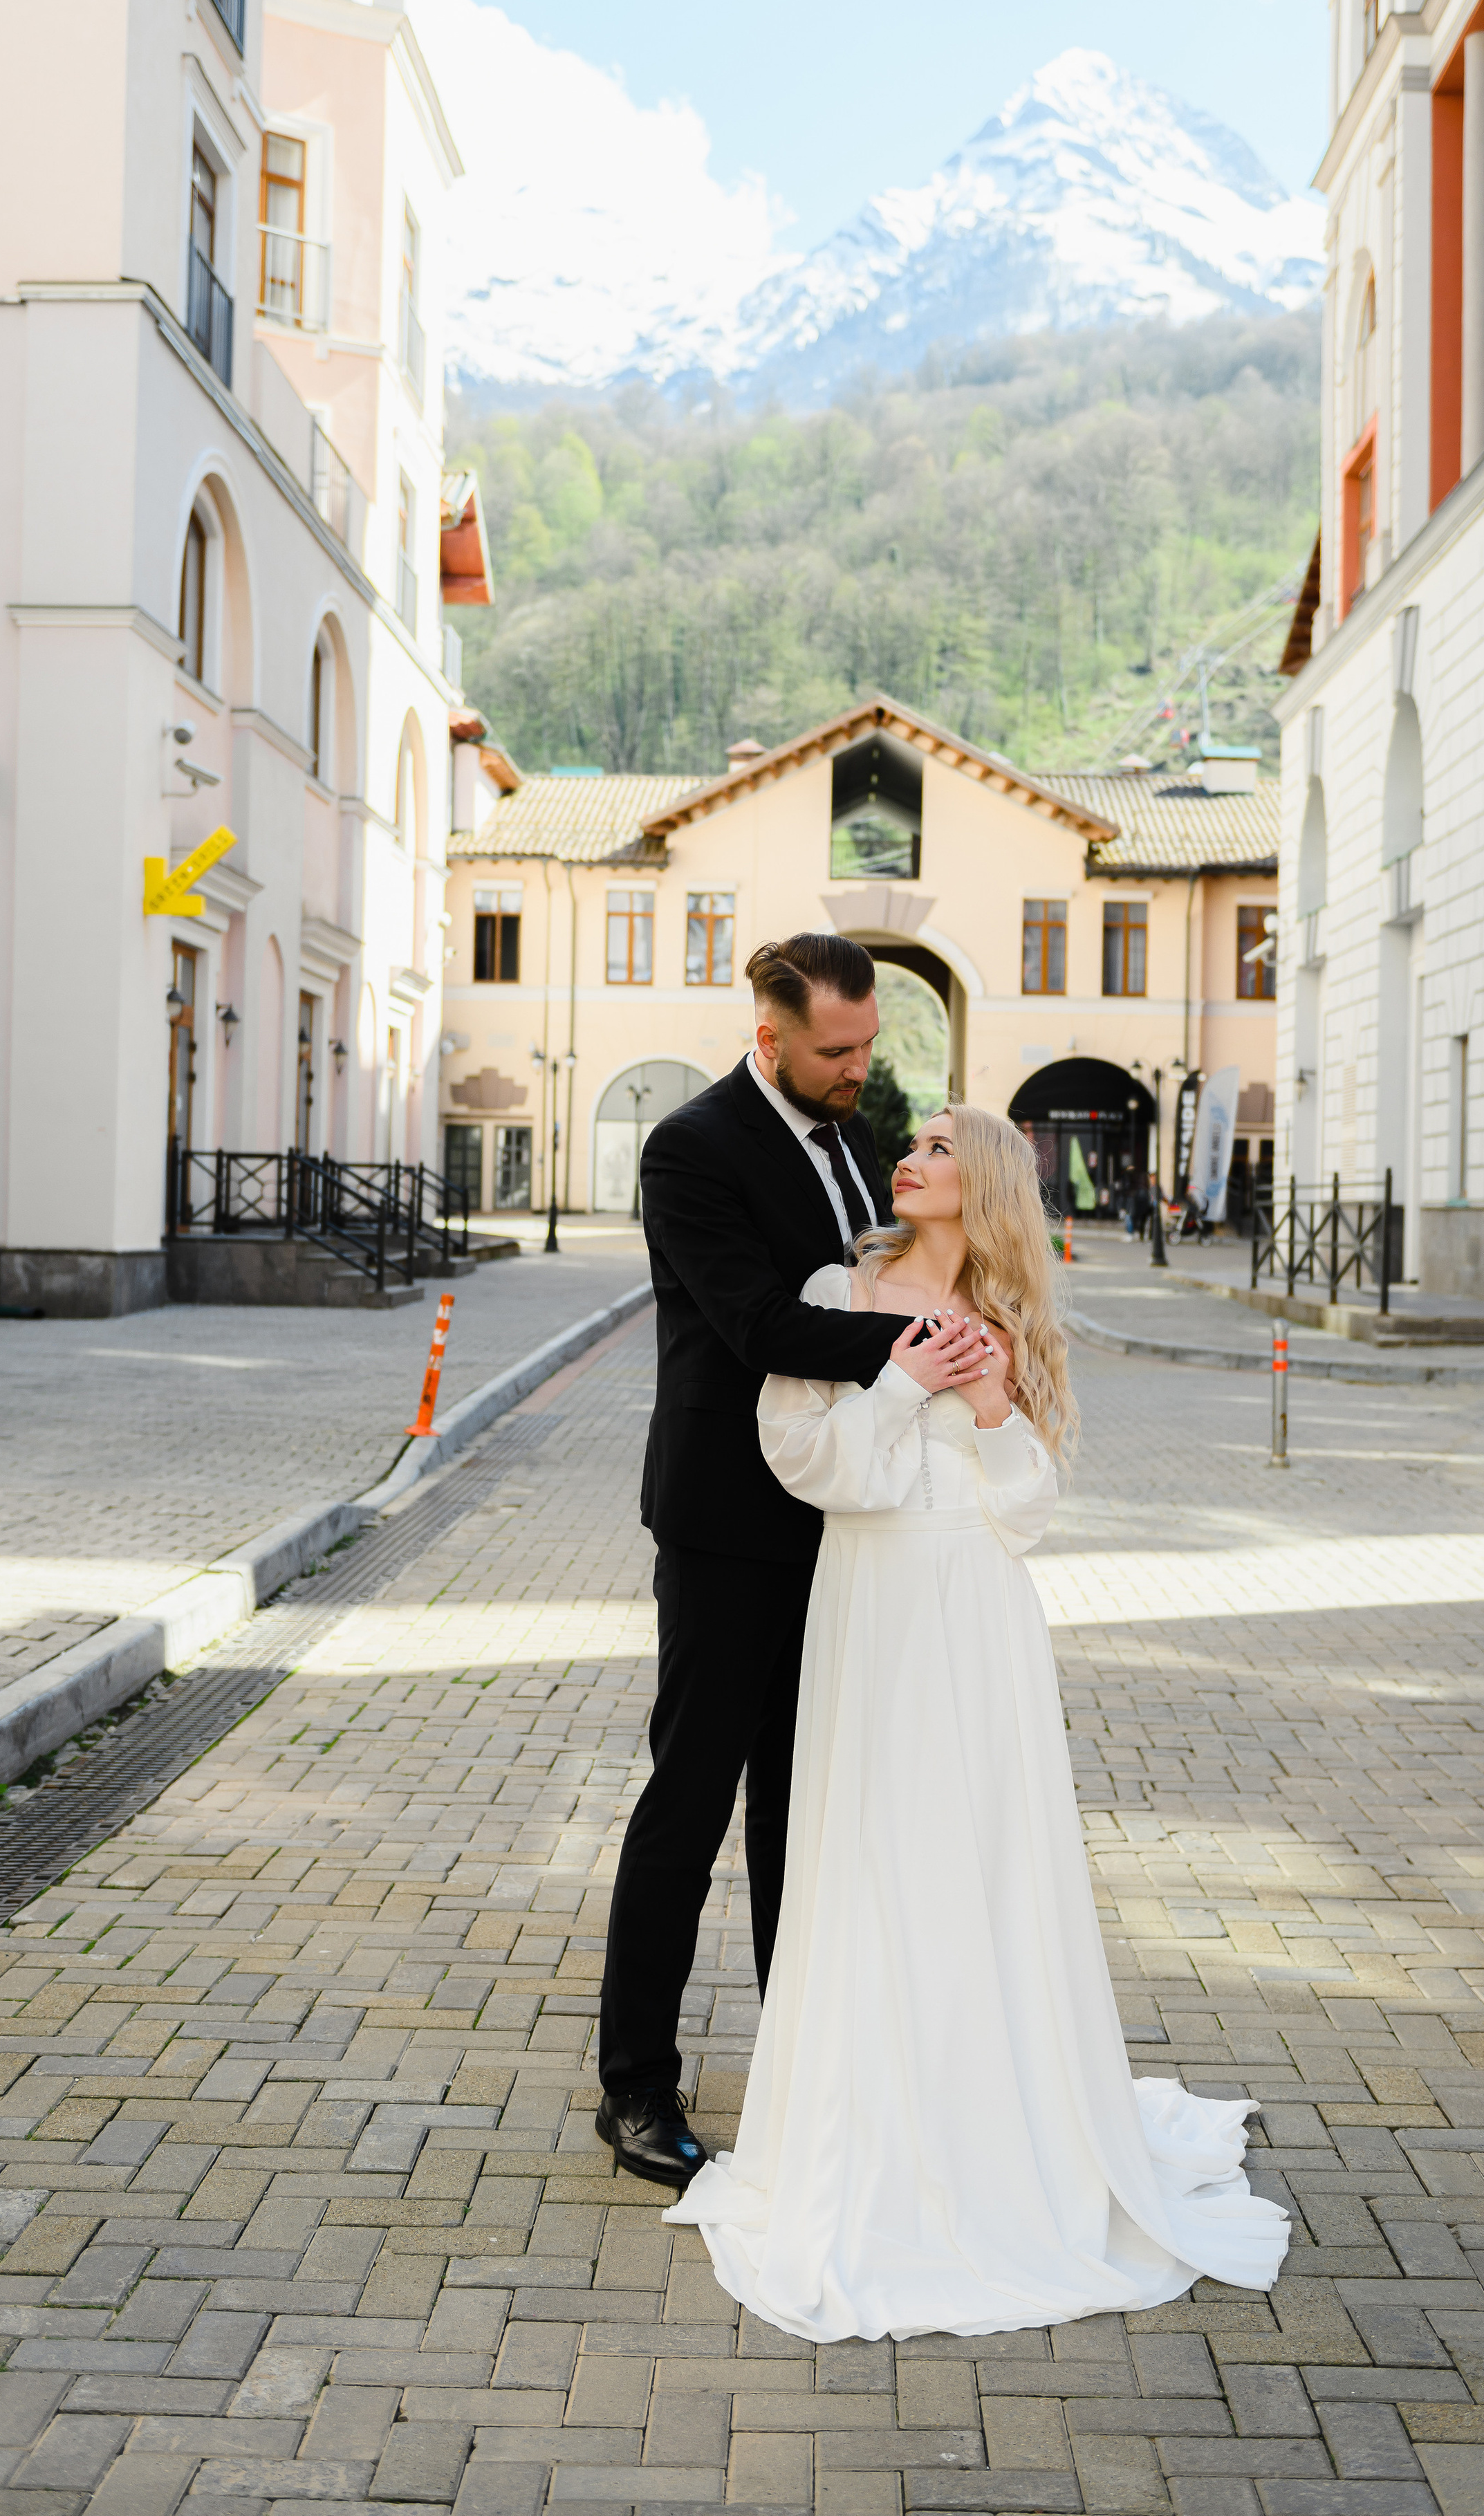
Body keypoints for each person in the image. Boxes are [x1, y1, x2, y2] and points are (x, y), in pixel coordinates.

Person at [667, 1104, 1290, 2340]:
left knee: (985, 1858)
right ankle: (877, 2122)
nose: (914, 1156)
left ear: (987, 1179)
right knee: (876, 1853)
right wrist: (902, 1377)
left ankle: (1001, 2118)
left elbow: (1033, 1513)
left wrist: (998, 1411)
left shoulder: (1014, 1309)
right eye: (916, 1142)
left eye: (944, 1147)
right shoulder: (837, 1284)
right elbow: (810, 1462)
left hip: (984, 1615)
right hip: (873, 1597)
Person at [597, 933, 992, 2188]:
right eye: (837, 1050)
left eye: (868, 1046)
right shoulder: (692, 1147)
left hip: (840, 1522)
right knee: (691, 1801)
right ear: (769, 1036)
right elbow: (761, 1324)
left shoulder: (848, 1133)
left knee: (803, 1807)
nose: (859, 1071)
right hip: (725, 1525)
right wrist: (918, 1343)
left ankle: (805, 2048)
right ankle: (635, 2089)